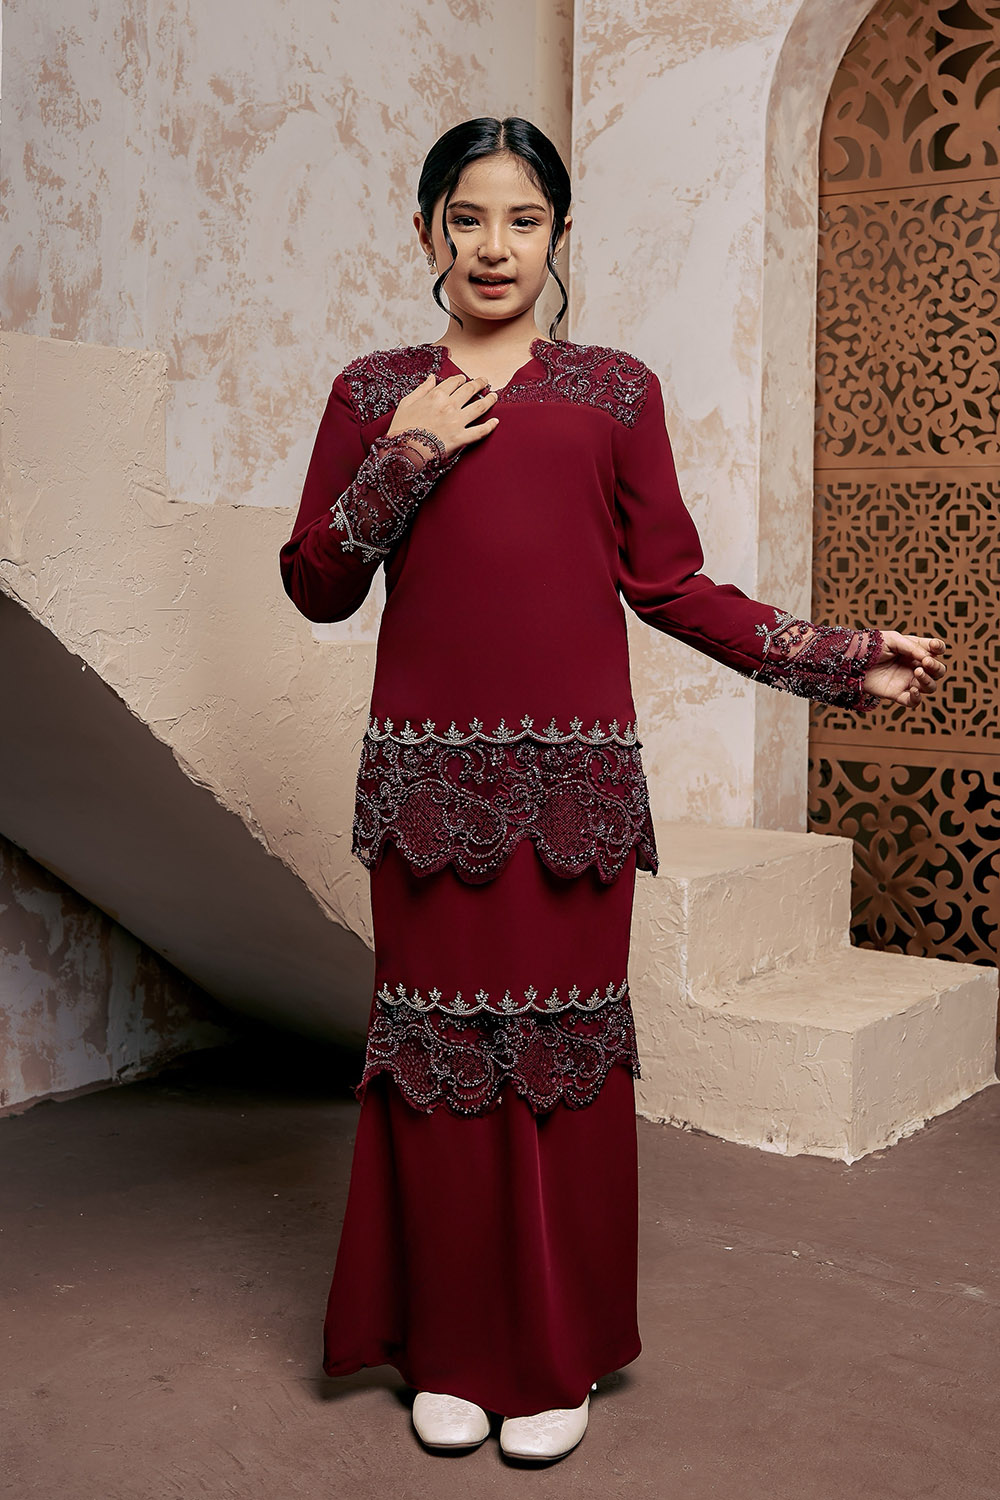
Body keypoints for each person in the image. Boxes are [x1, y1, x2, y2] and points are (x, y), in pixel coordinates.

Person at [278, 116, 945, 1463]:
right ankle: (449, 1349)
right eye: (468, 218)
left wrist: (836, 657)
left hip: (572, 801)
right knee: (439, 1060)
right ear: (427, 231)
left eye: (523, 220)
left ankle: (553, 1357)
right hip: (428, 798)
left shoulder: (615, 393)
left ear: (559, 235)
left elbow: (674, 586)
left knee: (563, 1064)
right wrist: (404, 452)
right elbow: (316, 584)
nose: (494, 247)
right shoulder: (375, 391)